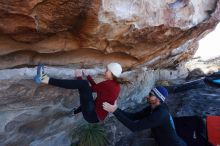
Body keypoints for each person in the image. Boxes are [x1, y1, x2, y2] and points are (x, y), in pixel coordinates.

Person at [34, 62, 128, 123]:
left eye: (107, 70)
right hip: (96, 116)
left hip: (92, 115)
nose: (105, 71)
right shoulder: (115, 85)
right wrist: (88, 76)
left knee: (83, 84)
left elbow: (90, 89)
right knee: (88, 94)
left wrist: (79, 77)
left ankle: (43, 78)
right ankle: (74, 112)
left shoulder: (109, 84)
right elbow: (94, 89)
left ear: (112, 74)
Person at [103, 86, 187, 146]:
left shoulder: (160, 114)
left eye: (151, 95)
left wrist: (114, 111)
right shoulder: (152, 108)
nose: (147, 96)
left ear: (158, 99)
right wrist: (116, 109)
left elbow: (134, 127)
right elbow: (133, 116)